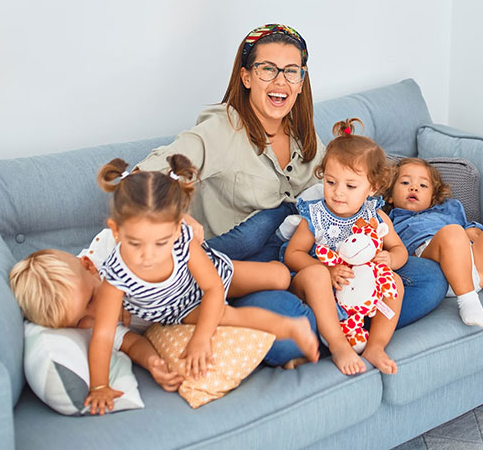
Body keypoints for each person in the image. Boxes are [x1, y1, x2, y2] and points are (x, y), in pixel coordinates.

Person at [134, 23, 449, 365]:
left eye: (291, 71)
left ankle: (339, 327)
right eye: (267, 69)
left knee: (429, 279)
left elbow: (349, 188)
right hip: (248, 267)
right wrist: (177, 216)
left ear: (301, 81)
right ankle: (336, 328)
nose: (280, 81)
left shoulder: (303, 133)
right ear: (246, 77)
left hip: (313, 257)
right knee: (288, 333)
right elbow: (141, 178)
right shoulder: (219, 131)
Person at [86, 154, 318, 415]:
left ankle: (287, 255)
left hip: (209, 281)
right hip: (180, 310)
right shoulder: (115, 278)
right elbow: (103, 335)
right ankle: (290, 326)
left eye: (160, 243)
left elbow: (213, 288)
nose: (148, 256)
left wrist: (202, 337)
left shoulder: (183, 241)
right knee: (229, 315)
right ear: (115, 231)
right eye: (135, 243)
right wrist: (98, 386)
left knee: (279, 277)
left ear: (175, 231)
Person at [284, 119, 406, 376]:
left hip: (357, 291)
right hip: (316, 285)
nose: (338, 193)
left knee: (394, 281)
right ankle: (339, 345)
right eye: (331, 182)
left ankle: (376, 345)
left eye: (350, 186)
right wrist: (325, 270)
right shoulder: (316, 216)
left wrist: (390, 259)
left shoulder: (376, 217)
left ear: (372, 188)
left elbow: (399, 249)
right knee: (316, 275)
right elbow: (292, 255)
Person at [385, 158, 483, 328]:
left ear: (433, 197)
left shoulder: (449, 209)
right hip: (436, 270)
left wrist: (474, 232)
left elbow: (472, 229)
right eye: (405, 182)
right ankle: (468, 302)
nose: (414, 188)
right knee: (452, 232)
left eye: (423, 185)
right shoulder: (389, 220)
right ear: (389, 195)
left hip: (473, 266)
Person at [9, 246, 183, 393]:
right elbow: (132, 344)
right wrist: (152, 362)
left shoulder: (110, 251)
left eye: (91, 299)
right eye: (79, 321)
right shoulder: (92, 330)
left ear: (89, 266)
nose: (96, 314)